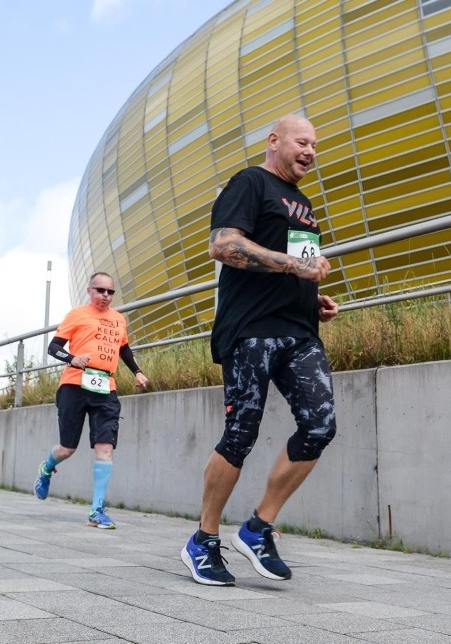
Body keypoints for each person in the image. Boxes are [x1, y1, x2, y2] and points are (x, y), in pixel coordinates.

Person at [181, 114, 339, 586]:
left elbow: (299, 269)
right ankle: (203, 540)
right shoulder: (250, 183)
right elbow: (223, 245)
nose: (310, 151)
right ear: (274, 142)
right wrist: (292, 265)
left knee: (320, 425)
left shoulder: (305, 204)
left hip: (300, 332)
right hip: (251, 330)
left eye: (315, 144)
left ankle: (257, 528)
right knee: (240, 433)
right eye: (302, 141)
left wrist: (314, 298)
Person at [34, 271, 149, 529]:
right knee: (67, 448)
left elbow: (123, 349)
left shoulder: (119, 319)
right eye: (100, 290)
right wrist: (71, 359)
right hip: (75, 385)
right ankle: (46, 468)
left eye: (110, 292)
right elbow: (54, 347)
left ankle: (96, 511)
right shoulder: (77, 314)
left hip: (106, 388)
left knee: (105, 447)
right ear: (90, 290)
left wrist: (138, 371)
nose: (105, 296)